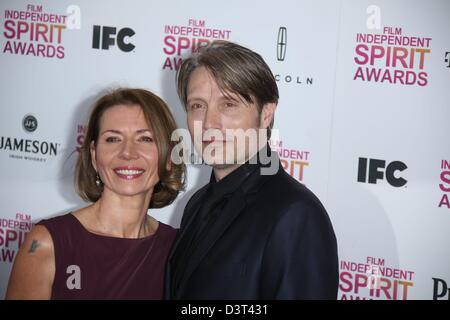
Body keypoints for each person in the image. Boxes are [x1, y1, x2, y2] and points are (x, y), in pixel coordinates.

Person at [165, 40, 339, 299]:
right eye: (198, 106)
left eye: (229, 104)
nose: (210, 123)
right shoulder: (195, 204)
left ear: (266, 113)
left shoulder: (296, 215)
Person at [6, 88, 185, 299]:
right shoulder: (48, 243)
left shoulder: (179, 249)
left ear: (168, 157)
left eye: (145, 139)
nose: (128, 153)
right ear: (94, 155)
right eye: (112, 139)